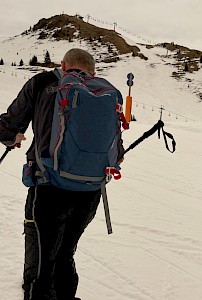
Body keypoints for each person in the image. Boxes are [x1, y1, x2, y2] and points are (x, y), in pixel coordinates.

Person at [0, 48, 124, 300]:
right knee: (66, 252)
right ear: (93, 71)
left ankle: (36, 292)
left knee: (43, 252)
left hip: (48, 183)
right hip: (90, 190)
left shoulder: (42, 82)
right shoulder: (104, 91)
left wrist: (11, 137)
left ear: (63, 64)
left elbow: (11, 123)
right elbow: (117, 151)